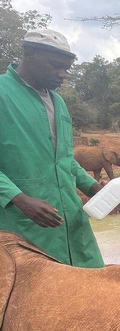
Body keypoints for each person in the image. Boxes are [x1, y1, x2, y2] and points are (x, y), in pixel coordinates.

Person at [0, 29, 104, 267]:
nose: (63, 75)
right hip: (22, 227)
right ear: (29, 53)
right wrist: (20, 199)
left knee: (89, 290)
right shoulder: (2, 94)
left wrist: (91, 186)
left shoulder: (59, 103)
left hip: (71, 221)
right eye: (56, 66)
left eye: (67, 69)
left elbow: (64, 159)